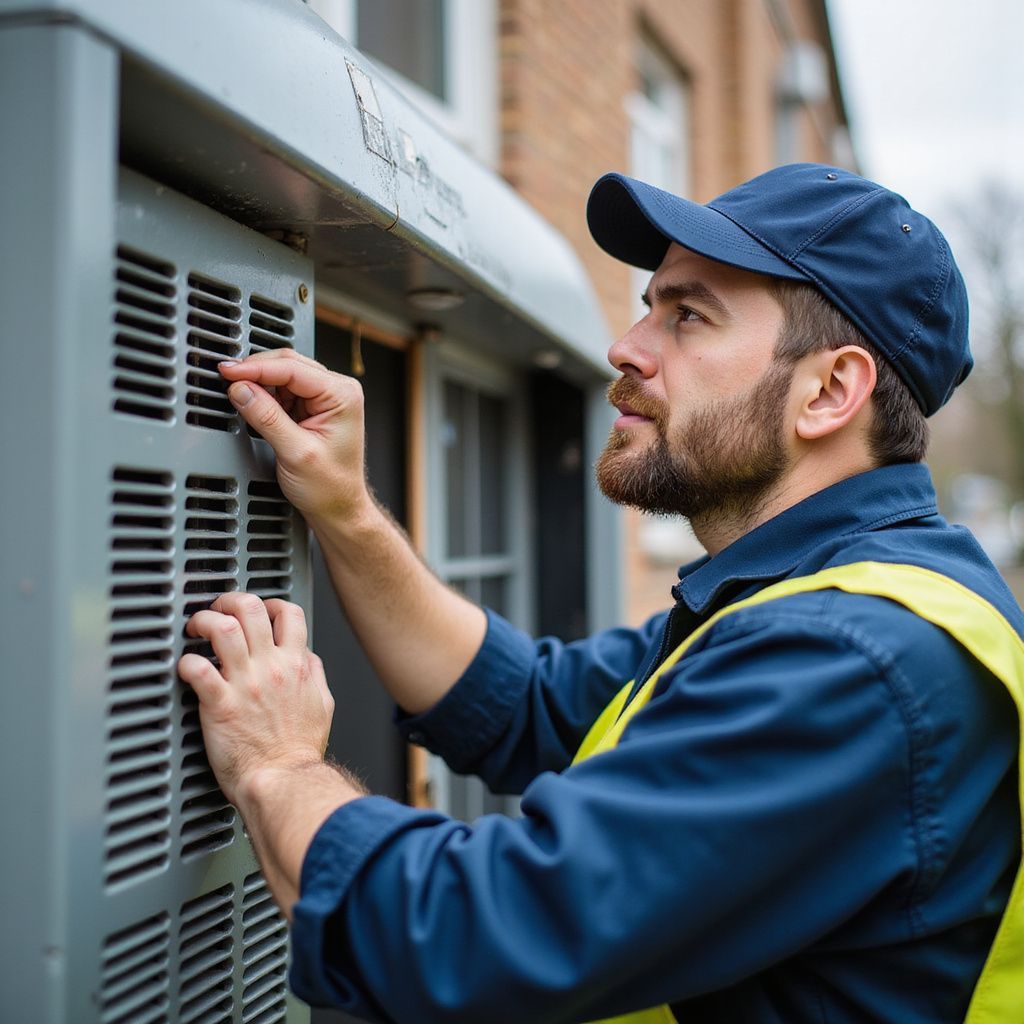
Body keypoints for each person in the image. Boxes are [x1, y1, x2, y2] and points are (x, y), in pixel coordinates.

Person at [177, 164, 1022, 1023]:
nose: (626, 346)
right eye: (649, 305)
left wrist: (276, 765)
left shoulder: (852, 658)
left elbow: (462, 943)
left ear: (830, 392)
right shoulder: (805, 597)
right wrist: (347, 512)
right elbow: (521, 704)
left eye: (687, 316)